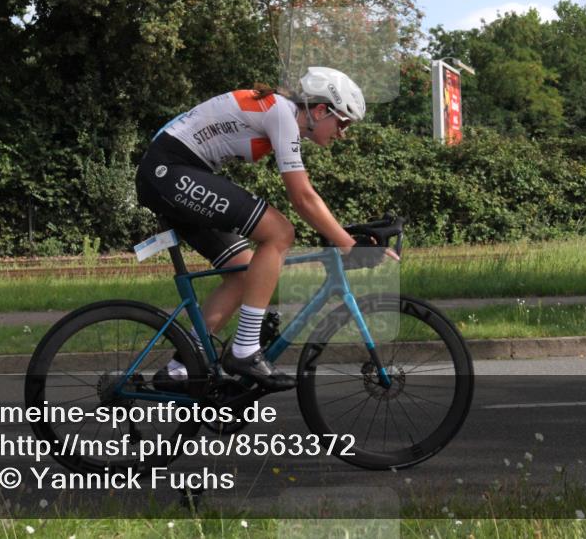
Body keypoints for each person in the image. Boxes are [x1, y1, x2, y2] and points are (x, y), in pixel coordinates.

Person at [136, 66, 397, 391]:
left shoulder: (281, 115)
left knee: (243, 271)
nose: (342, 133)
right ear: (319, 110)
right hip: (168, 171)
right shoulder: (282, 113)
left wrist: (343, 234)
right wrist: (348, 244)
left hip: (174, 174)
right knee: (280, 233)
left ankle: (180, 368)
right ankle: (245, 351)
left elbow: (307, 197)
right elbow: (301, 197)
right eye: (342, 122)